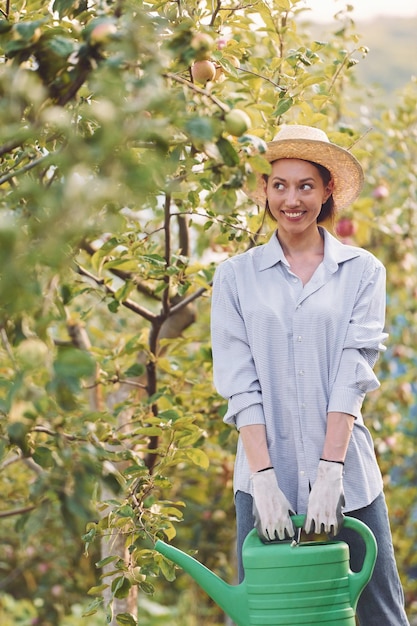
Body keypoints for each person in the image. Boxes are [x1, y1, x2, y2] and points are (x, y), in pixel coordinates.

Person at [210, 125, 409, 625]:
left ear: (327, 193)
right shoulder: (235, 277)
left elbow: (353, 370)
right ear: (264, 191)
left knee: (381, 611)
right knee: (268, 612)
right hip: (263, 476)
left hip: (348, 477)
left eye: (305, 186)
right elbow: (239, 381)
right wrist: (263, 477)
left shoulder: (362, 271)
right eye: (279, 185)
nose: (291, 199)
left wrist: (329, 471)